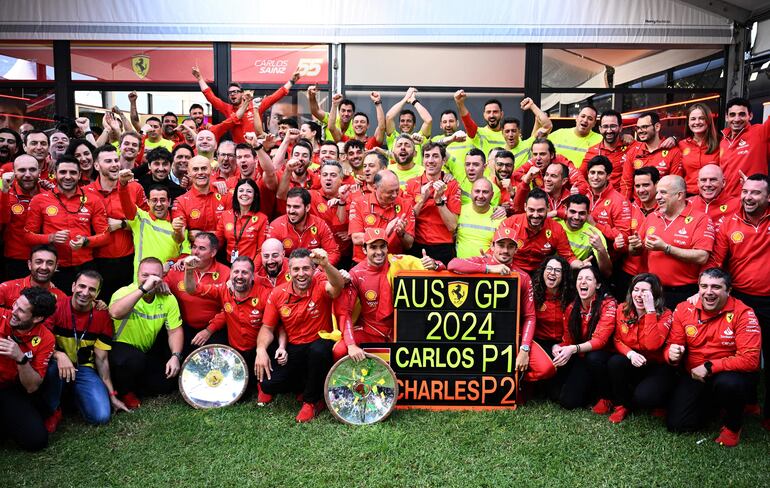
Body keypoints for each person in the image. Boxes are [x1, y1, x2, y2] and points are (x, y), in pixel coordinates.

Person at [664, 268, 761, 447]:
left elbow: (750, 360)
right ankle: (716, 406)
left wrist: (710, 366)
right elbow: (674, 344)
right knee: (678, 425)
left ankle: (733, 427)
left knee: (729, 385)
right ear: (698, 288)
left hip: (729, 374)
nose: (709, 292)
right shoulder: (684, 308)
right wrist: (671, 354)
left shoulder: (744, 313)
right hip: (694, 375)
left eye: (716, 287)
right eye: (704, 286)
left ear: (728, 290)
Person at [707, 174, 770, 430]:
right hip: (740, 300)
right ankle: (748, 403)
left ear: (768, 197)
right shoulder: (727, 223)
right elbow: (716, 262)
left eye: (755, 193)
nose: (747, 197)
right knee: (742, 354)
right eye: (745, 192)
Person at [449, 222, 550, 380]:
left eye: (510, 246)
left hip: (509, 336)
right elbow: (453, 264)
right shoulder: (483, 261)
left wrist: (524, 349)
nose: (505, 250)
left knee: (546, 369)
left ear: (516, 250)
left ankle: (516, 381)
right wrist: (488, 269)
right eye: (501, 245)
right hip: (475, 335)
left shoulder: (522, 276)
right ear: (493, 246)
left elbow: (530, 316)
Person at [255, 248, 345, 422]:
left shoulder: (321, 285)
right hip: (294, 347)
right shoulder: (278, 293)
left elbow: (338, 285)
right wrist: (260, 350)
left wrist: (326, 265)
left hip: (320, 343)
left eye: (306, 268)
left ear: (313, 270)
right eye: (296, 269)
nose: (301, 274)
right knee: (269, 384)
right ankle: (305, 387)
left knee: (318, 351)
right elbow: (267, 328)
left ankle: (311, 402)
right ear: (289, 272)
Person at [333, 227, 443, 361]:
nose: (379, 252)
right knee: (340, 350)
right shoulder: (355, 274)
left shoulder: (399, 262)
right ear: (364, 249)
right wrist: (351, 345)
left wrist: (435, 265)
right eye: (373, 247)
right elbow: (345, 312)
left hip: (401, 331)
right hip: (370, 331)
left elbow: (439, 267)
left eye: (382, 246)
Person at [40, 271, 128, 432]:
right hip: (55, 364)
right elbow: (40, 344)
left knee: (101, 416)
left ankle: (72, 397)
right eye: (81, 286)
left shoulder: (103, 317)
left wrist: (112, 396)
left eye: (92, 289)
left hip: (84, 368)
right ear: (73, 286)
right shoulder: (56, 308)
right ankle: (53, 410)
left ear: (98, 293)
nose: (85, 292)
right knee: (51, 368)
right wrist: (59, 355)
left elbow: (101, 360)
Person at [183, 255, 276, 383]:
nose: (239, 276)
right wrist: (188, 270)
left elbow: (272, 325)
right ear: (230, 273)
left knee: (268, 384)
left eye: (245, 272)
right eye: (236, 271)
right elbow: (192, 289)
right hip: (235, 351)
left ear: (253, 276)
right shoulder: (223, 289)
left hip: (260, 350)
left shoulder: (266, 294)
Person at [24, 155, 110, 290]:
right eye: (63, 172)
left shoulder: (93, 200)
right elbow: (28, 236)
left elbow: (105, 236)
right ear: (54, 174)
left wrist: (85, 241)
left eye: (73, 172)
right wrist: (50, 238)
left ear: (80, 175)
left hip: (86, 265)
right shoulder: (39, 200)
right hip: (54, 269)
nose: (68, 177)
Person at [108, 257, 183, 409]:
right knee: (133, 359)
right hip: (116, 349)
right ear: (137, 275)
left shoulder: (168, 299)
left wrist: (175, 356)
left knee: (165, 383)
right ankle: (125, 392)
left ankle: (134, 385)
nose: (150, 279)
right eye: (145, 275)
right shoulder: (124, 292)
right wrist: (143, 289)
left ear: (162, 278)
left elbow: (175, 331)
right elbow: (115, 313)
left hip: (144, 351)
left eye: (155, 276)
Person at [635, 175, 713, 309]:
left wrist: (666, 248)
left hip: (684, 292)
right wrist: (634, 246)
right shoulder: (653, 216)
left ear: (679, 195)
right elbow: (637, 250)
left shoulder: (700, 219)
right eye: (658, 192)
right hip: (654, 290)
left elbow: (702, 256)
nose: (657, 197)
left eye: (663, 192)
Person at [606, 273, 675, 424]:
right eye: (636, 290)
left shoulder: (666, 314)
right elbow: (616, 339)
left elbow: (652, 345)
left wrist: (650, 311)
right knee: (615, 362)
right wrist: (630, 353)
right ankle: (621, 405)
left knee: (645, 397)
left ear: (654, 294)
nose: (639, 295)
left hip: (656, 365)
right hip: (634, 361)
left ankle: (660, 401)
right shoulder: (622, 309)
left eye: (645, 291)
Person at [86, 145, 149, 301]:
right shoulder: (85, 192)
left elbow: (148, 223)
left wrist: (122, 224)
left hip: (129, 261)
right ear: (96, 165)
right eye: (108, 161)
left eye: (116, 160)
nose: (114, 164)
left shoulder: (135, 188)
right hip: (96, 262)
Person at [551, 265, 617, 411]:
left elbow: (601, 341)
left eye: (588, 279)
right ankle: (590, 392)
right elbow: (568, 340)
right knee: (565, 400)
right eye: (580, 278)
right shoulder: (572, 307)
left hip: (605, 356)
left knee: (594, 358)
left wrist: (572, 349)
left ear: (598, 284)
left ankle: (607, 397)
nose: (583, 282)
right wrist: (557, 347)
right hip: (582, 355)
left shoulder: (608, 304)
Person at [0, 287, 57, 451]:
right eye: (15, 305)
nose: (13, 312)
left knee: (36, 441)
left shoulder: (46, 338)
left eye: (21, 311)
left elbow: (32, 387)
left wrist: (20, 358)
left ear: (37, 318)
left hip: (10, 389)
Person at [193, 63, 299, 144]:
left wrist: (292, 81)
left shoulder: (255, 105)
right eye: (230, 93)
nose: (232, 95)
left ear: (242, 93)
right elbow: (210, 97)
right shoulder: (227, 109)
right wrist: (199, 78)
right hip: (239, 151)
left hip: (257, 148)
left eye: (235, 92)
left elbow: (276, 96)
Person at [164, 233, 230, 354]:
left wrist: (209, 330)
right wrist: (161, 283)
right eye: (194, 247)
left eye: (202, 248)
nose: (195, 252)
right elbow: (161, 289)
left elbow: (229, 308)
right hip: (182, 328)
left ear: (213, 253)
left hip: (213, 329)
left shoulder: (226, 273)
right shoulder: (179, 268)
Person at [117, 169, 186, 275]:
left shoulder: (178, 224)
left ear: (169, 202)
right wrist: (122, 185)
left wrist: (171, 263)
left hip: (169, 282)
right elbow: (126, 203)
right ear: (148, 202)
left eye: (162, 200)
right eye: (154, 200)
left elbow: (186, 254)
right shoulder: (140, 219)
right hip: (141, 283)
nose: (159, 204)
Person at [500, 188, 583, 274]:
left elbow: (568, 257)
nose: (535, 215)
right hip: (512, 271)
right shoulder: (510, 224)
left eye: (540, 210)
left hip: (541, 274)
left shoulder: (556, 229)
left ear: (548, 208)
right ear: (525, 207)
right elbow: (495, 252)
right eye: (531, 210)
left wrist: (581, 265)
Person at [405, 142, 461, 265]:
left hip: (443, 247)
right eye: (427, 156)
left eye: (435, 156)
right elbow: (407, 220)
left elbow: (452, 226)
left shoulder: (452, 185)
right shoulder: (411, 184)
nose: (430, 160)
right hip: (417, 245)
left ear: (444, 161)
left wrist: (439, 201)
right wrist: (422, 200)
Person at [613, 167, 660, 298]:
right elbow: (621, 242)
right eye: (637, 186)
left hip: (655, 277)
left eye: (646, 185)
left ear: (657, 185)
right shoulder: (629, 207)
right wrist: (620, 244)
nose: (641, 190)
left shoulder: (665, 210)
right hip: (628, 273)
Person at [349, 170, 415, 263]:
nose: (395, 195)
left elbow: (409, 244)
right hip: (363, 263)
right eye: (390, 192)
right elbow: (356, 238)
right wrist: (385, 233)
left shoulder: (405, 204)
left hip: (393, 263)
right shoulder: (358, 203)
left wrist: (402, 233)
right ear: (375, 188)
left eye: (397, 190)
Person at [1, 154, 45, 279]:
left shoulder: (48, 195)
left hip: (44, 260)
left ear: (39, 171)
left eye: (32, 169)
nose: (27, 174)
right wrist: (4, 192)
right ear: (13, 172)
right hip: (14, 259)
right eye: (22, 170)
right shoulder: (5, 193)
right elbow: (2, 220)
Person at [268, 187, 340, 265]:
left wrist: (318, 271)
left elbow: (333, 252)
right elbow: (269, 255)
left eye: (296, 207)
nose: (291, 211)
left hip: (315, 272)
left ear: (307, 207)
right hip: (287, 271)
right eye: (288, 206)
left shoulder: (320, 224)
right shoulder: (276, 226)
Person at [620, 111, 683, 198]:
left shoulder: (673, 152)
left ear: (657, 127)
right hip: (637, 207)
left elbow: (674, 186)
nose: (640, 131)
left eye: (644, 127)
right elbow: (626, 184)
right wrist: (625, 207)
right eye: (637, 128)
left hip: (662, 206)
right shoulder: (632, 152)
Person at [718, 97, 770, 197]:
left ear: (750, 116)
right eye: (732, 115)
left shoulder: (761, 132)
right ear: (726, 117)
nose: (736, 119)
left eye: (742, 114)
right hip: (726, 201)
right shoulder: (723, 141)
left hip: (751, 198)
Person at [171, 155, 232, 238]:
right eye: (195, 169)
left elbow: (231, 231)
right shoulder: (181, 202)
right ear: (188, 172)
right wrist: (177, 231)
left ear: (211, 170)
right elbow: (179, 239)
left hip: (224, 250)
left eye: (204, 168)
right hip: (195, 250)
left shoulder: (225, 194)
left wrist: (201, 235)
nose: (200, 172)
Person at [558, 194, 612, 277]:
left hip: (575, 275)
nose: (576, 217)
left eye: (581, 213)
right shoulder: (556, 225)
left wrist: (601, 249)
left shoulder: (593, 233)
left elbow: (607, 272)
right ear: (566, 210)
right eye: (572, 212)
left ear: (588, 214)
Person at [215, 179, 268, 263]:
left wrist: (253, 270)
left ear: (255, 196)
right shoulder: (225, 215)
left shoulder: (262, 219)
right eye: (241, 190)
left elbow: (261, 251)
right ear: (236, 194)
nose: (244, 194)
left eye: (249, 191)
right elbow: (217, 243)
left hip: (250, 266)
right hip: (228, 264)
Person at [531, 257, 572, 361]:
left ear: (564, 275)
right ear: (543, 271)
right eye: (549, 268)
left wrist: (562, 345)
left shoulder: (571, 297)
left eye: (557, 270)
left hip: (564, 345)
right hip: (538, 344)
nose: (552, 273)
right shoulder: (533, 295)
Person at [0, 245, 67, 308]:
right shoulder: (6, 289)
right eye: (38, 262)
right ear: (29, 264)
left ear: (56, 267)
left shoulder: (62, 298)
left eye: (50, 263)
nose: (44, 267)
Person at [581, 110, 633, 190]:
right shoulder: (592, 151)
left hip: (625, 199)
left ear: (620, 127)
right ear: (600, 129)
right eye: (605, 126)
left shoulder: (631, 147)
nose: (609, 131)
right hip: (600, 198)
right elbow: (580, 176)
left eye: (613, 126)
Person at [456, 178, 504, 258]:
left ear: (492, 195)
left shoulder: (500, 216)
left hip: (488, 266)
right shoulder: (459, 211)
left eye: (485, 192)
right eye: (477, 191)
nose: (480, 196)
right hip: (461, 265)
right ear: (471, 193)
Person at [385, 87, 433, 166]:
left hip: (416, 176)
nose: (405, 123)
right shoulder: (394, 137)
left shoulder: (419, 138)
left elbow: (428, 120)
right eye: (402, 121)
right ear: (399, 124)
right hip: (395, 177)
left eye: (409, 121)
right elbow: (389, 117)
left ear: (414, 125)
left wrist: (413, 101)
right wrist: (406, 98)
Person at [679, 103, 720, 195]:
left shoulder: (721, 143)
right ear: (688, 123)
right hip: (689, 195)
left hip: (714, 195)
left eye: (701, 118)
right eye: (693, 119)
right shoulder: (681, 145)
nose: (697, 122)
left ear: (708, 120)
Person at [453, 91, 506, 156]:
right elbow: (467, 121)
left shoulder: (509, 134)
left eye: (495, 112)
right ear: (484, 115)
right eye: (488, 112)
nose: (492, 115)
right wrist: (460, 104)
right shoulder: (478, 133)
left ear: (501, 114)